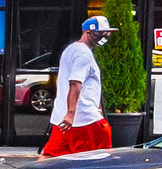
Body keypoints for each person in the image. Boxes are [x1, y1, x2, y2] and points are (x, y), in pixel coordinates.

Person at [42, 15, 116, 156]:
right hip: (84, 120)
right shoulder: (83, 55)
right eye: (100, 33)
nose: (104, 37)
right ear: (87, 33)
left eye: (107, 33)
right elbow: (75, 83)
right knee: (99, 160)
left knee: (50, 157)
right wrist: (71, 114)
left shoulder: (71, 49)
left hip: (62, 121)